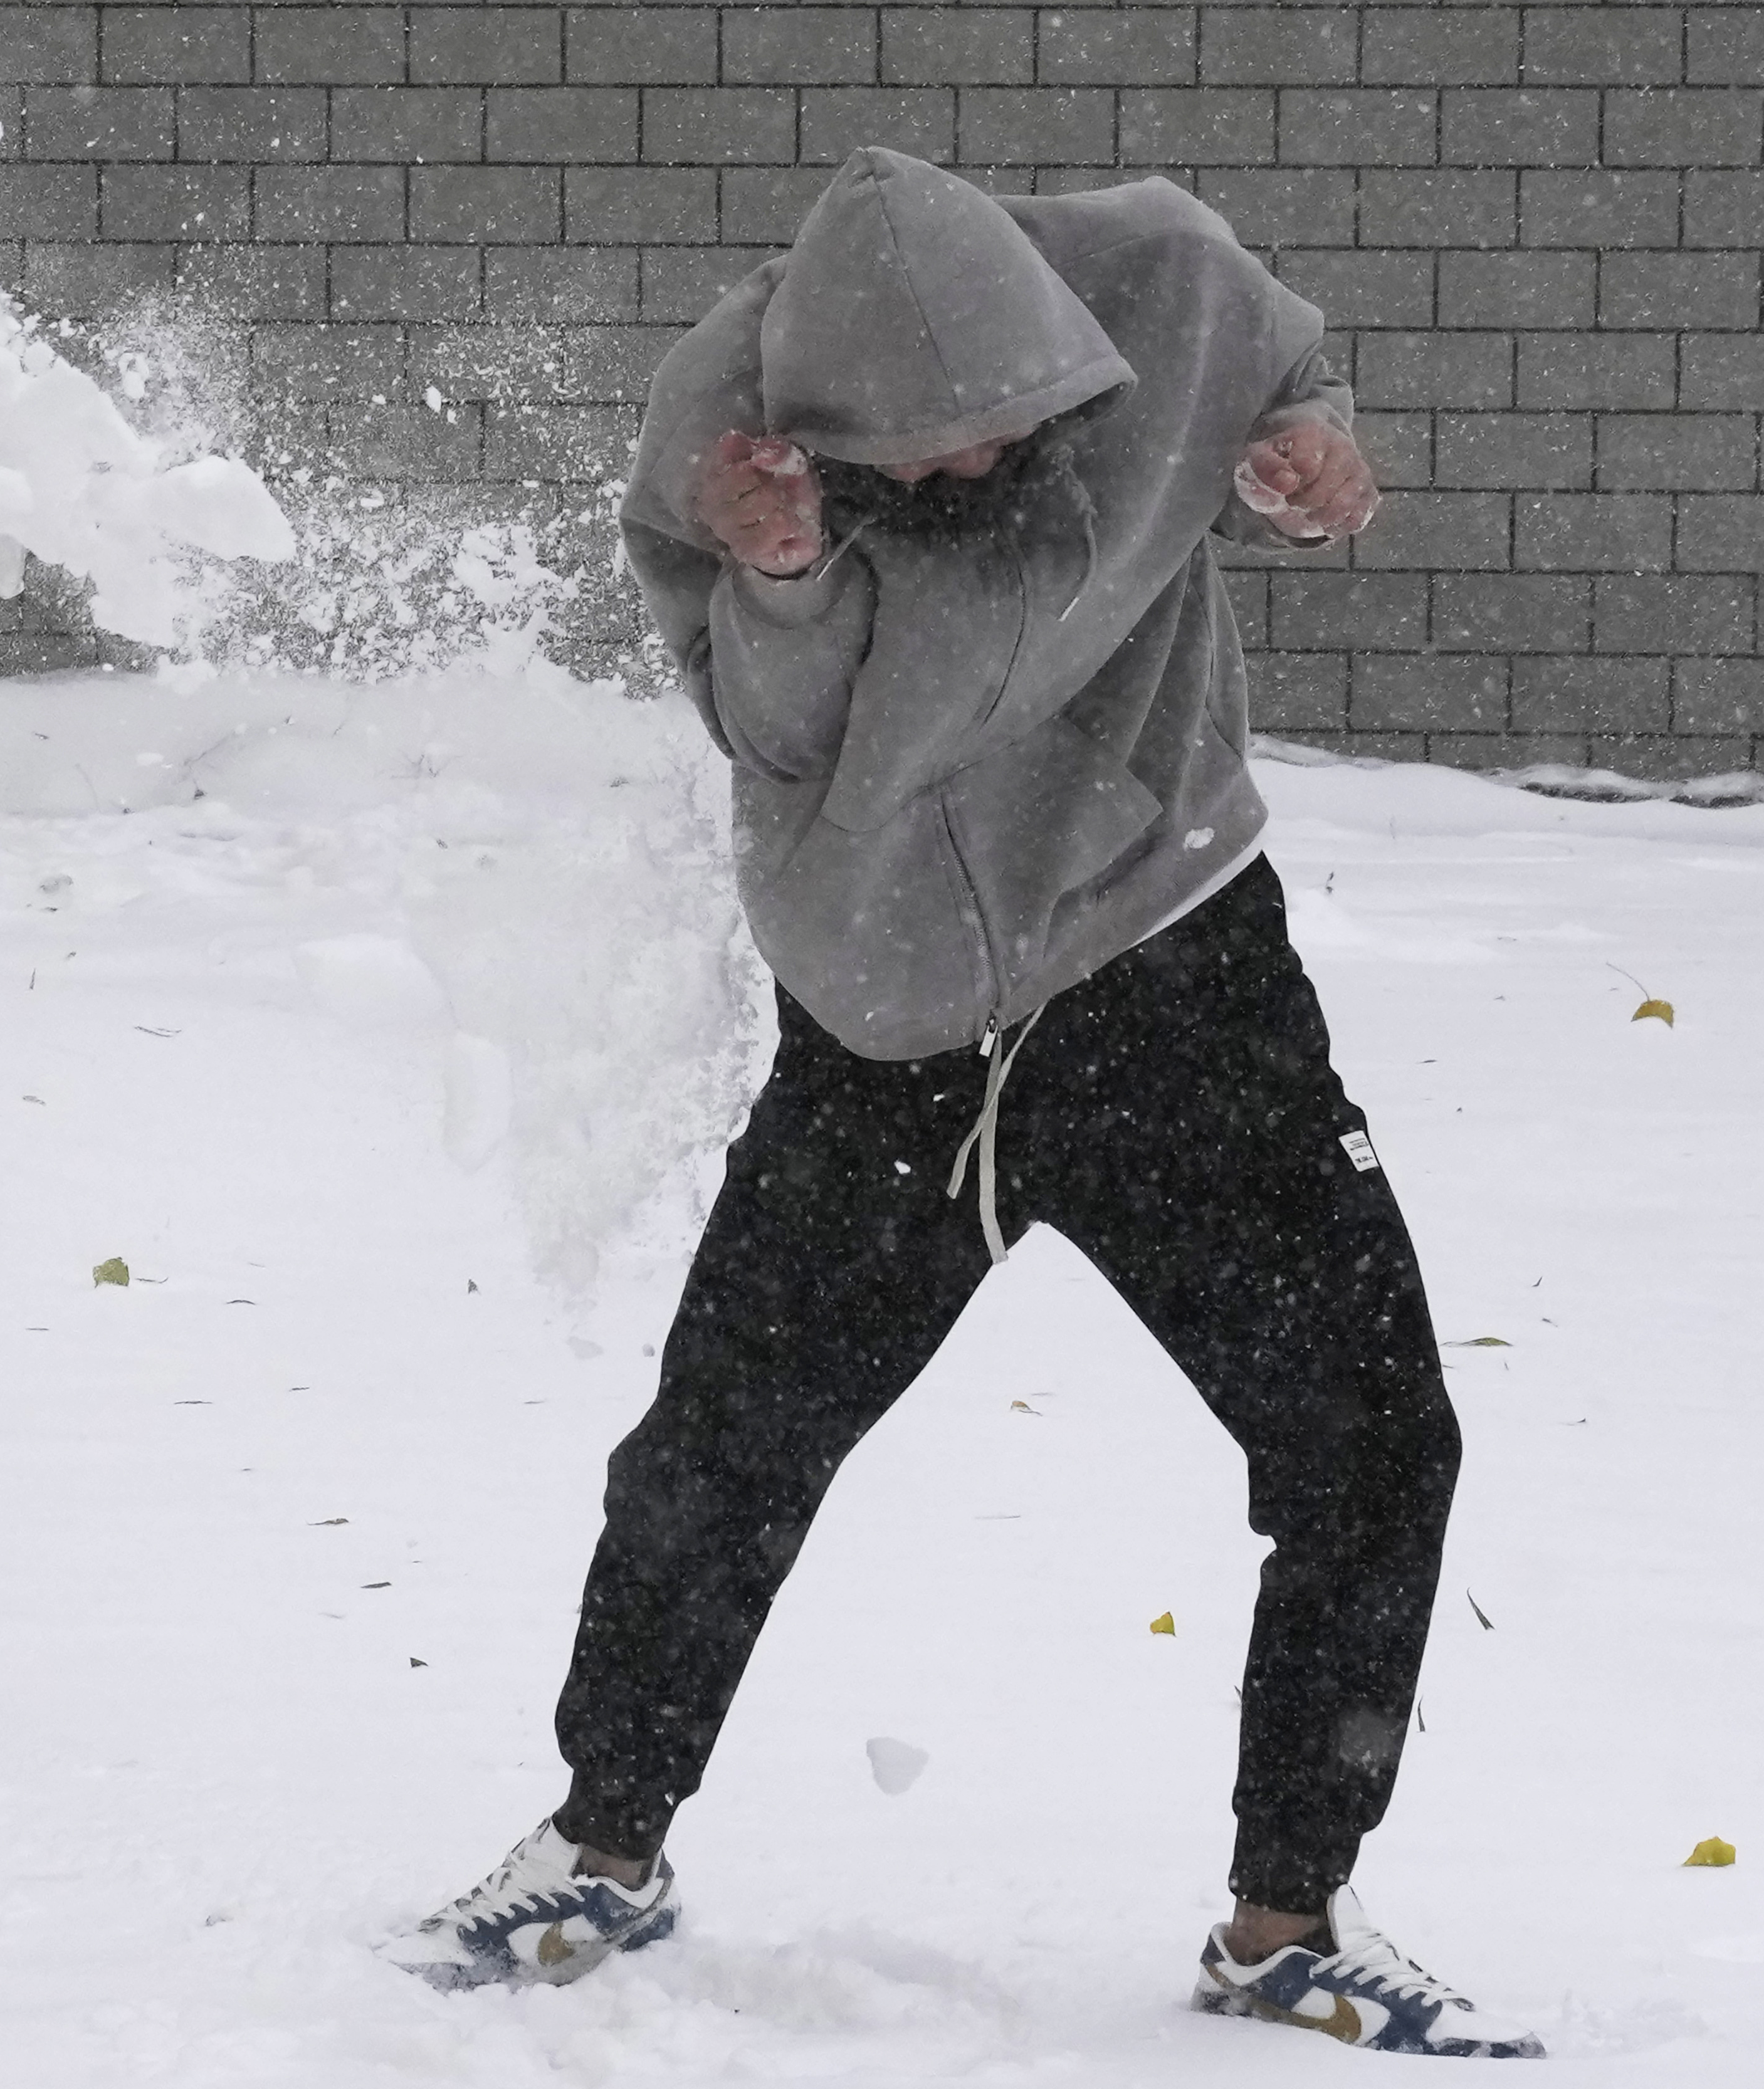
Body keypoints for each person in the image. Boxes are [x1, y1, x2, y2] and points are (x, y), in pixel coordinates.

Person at [382, 150, 1540, 2060]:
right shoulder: (722, 432)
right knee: (724, 1445)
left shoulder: (1163, 276)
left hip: (1181, 976)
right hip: (893, 1016)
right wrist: (775, 571)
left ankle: (1286, 1919)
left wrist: (1314, 446)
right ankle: (603, 1842)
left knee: (1377, 1434)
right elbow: (774, 744)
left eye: (985, 436)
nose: (943, 478)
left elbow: (1285, 365)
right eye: (892, 463)